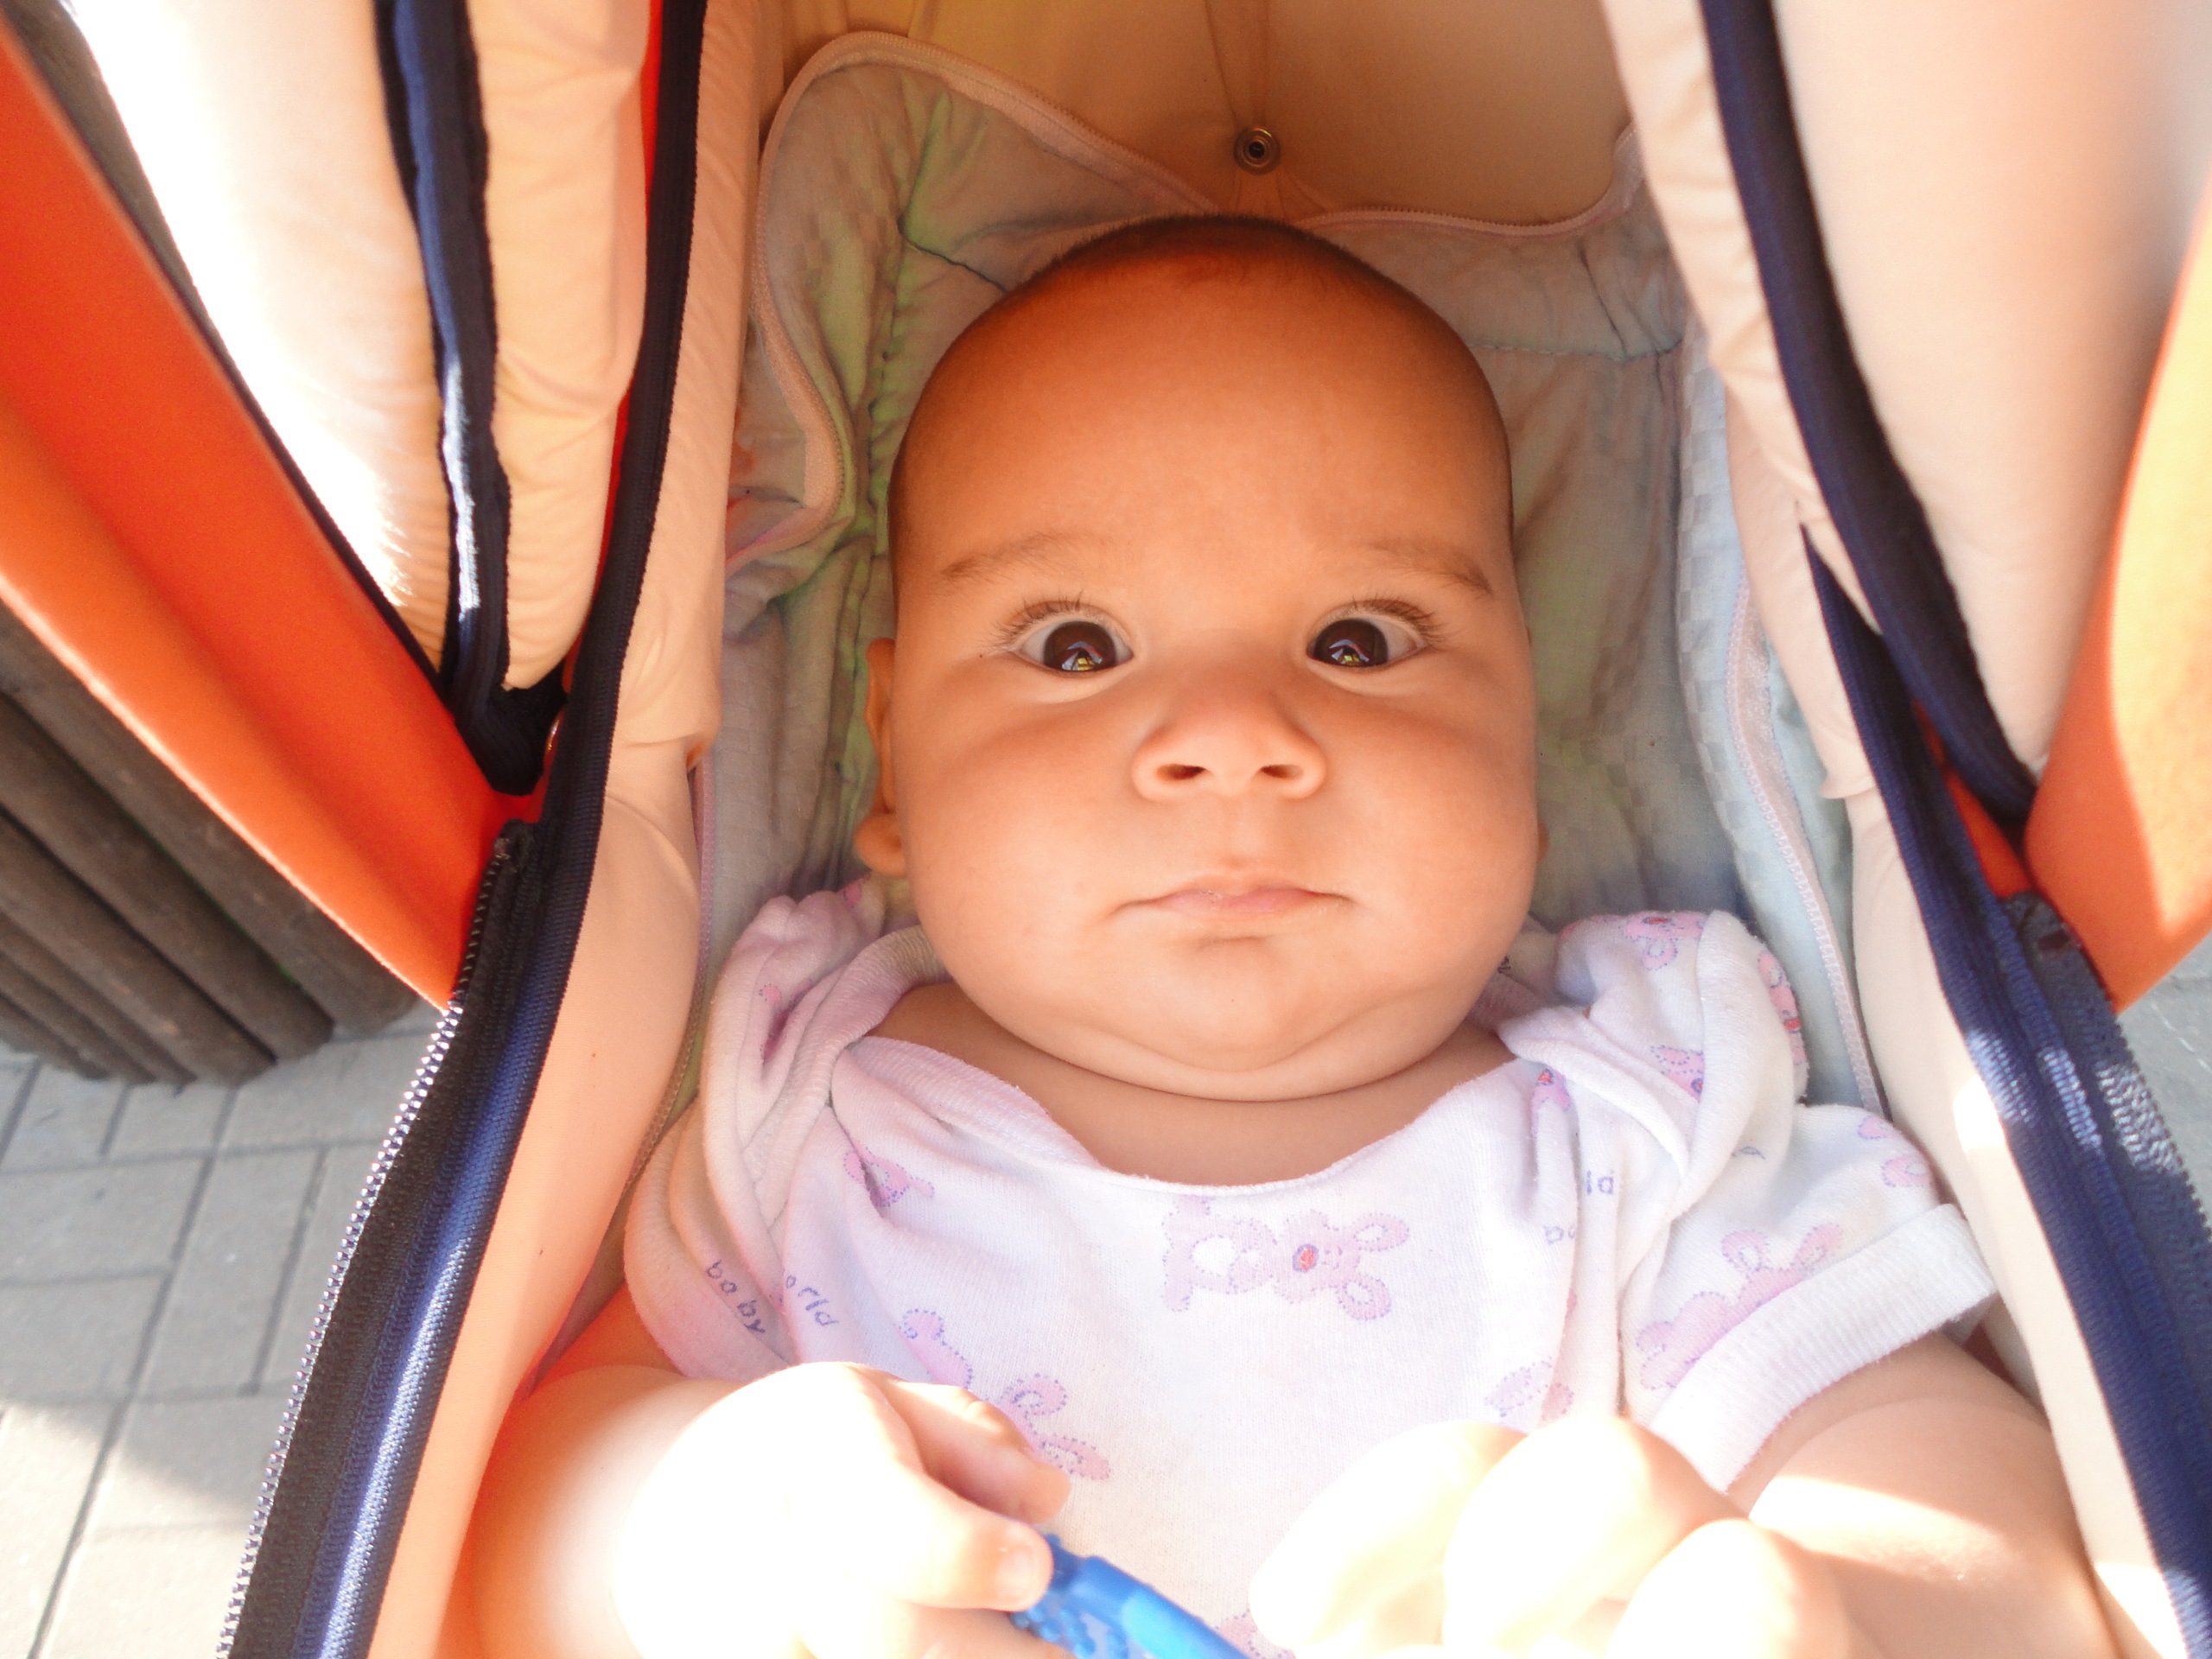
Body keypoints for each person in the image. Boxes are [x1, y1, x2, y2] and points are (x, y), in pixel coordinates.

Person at [467, 219, 2114, 1659]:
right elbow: (519, 1505)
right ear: (892, 759)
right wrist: (693, 1536)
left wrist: (1847, 1606)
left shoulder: (1644, 1122)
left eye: (1358, 638)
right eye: (1076, 644)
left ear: (1525, 742)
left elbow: (1969, 1491)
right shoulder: (807, 1109)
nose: (1233, 738)